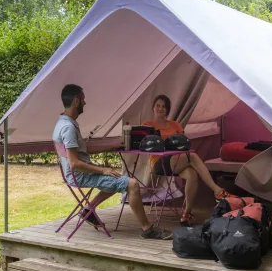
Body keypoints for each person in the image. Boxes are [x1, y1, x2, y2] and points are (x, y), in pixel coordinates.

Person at [53, 84, 173, 240]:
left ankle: (88, 210)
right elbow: (74, 163)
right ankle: (147, 229)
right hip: (80, 175)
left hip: (75, 174)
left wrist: (111, 146)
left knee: (115, 177)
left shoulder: (62, 123)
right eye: (83, 99)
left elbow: (83, 149)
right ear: (76, 101)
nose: (85, 102)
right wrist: (103, 170)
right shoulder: (68, 128)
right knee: (132, 184)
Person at [145, 94, 230, 227]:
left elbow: (184, 144)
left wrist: (176, 139)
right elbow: (146, 146)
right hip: (159, 163)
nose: (160, 108)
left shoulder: (175, 125)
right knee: (193, 156)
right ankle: (217, 190)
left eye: (164, 106)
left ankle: (187, 213)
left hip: (177, 160)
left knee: (192, 175)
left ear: (167, 110)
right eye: (158, 106)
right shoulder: (147, 125)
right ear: (153, 108)